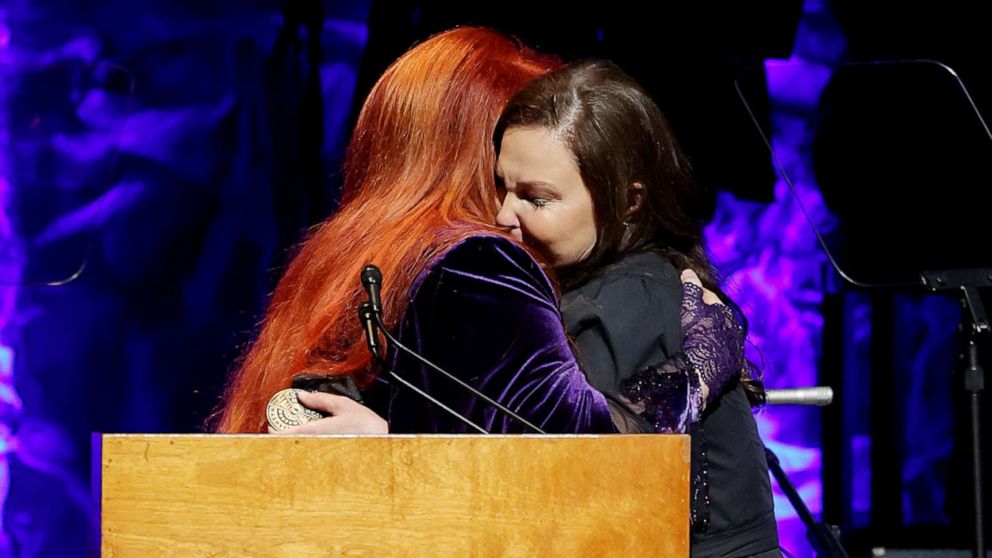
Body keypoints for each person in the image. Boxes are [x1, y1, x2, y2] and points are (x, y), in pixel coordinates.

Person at [294, 59, 780, 557]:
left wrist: (395, 445)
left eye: (537, 199)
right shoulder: (590, 282)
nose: (504, 215)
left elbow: (576, 471)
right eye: (501, 185)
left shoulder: (634, 294)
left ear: (630, 202)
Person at [211, 28, 740, 436]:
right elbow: (579, 445)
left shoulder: (357, 255)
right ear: (480, 155)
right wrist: (700, 365)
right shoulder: (476, 262)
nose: (512, 211)